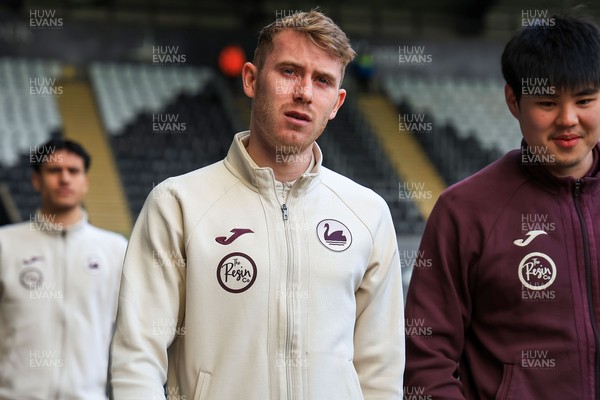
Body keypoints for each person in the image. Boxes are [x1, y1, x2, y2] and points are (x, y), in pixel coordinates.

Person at [110, 9, 404, 400]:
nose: (304, 92)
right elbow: (137, 358)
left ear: (336, 102)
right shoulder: (178, 203)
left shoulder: (368, 214)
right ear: (250, 79)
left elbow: (380, 370)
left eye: (322, 81)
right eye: (288, 72)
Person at [404, 14, 600, 399]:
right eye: (547, 102)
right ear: (514, 100)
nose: (568, 119)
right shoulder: (464, 210)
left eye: (584, 100)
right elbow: (425, 360)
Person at [0, 138, 128, 399]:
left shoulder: (115, 249)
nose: (65, 179)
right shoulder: (4, 243)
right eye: (54, 171)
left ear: (85, 181)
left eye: (73, 171)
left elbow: (129, 333)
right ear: (37, 180)